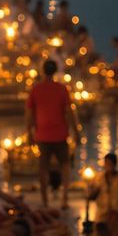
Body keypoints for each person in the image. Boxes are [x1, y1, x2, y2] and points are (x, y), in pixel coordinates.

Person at [26, 59, 78, 209]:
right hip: (60, 134)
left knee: (43, 168)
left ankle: (45, 202)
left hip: (42, 134)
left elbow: (29, 114)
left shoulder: (36, 89)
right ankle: (64, 199)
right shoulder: (62, 89)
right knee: (65, 165)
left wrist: (29, 132)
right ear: (55, 71)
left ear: (43, 71)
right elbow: (69, 112)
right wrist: (76, 131)